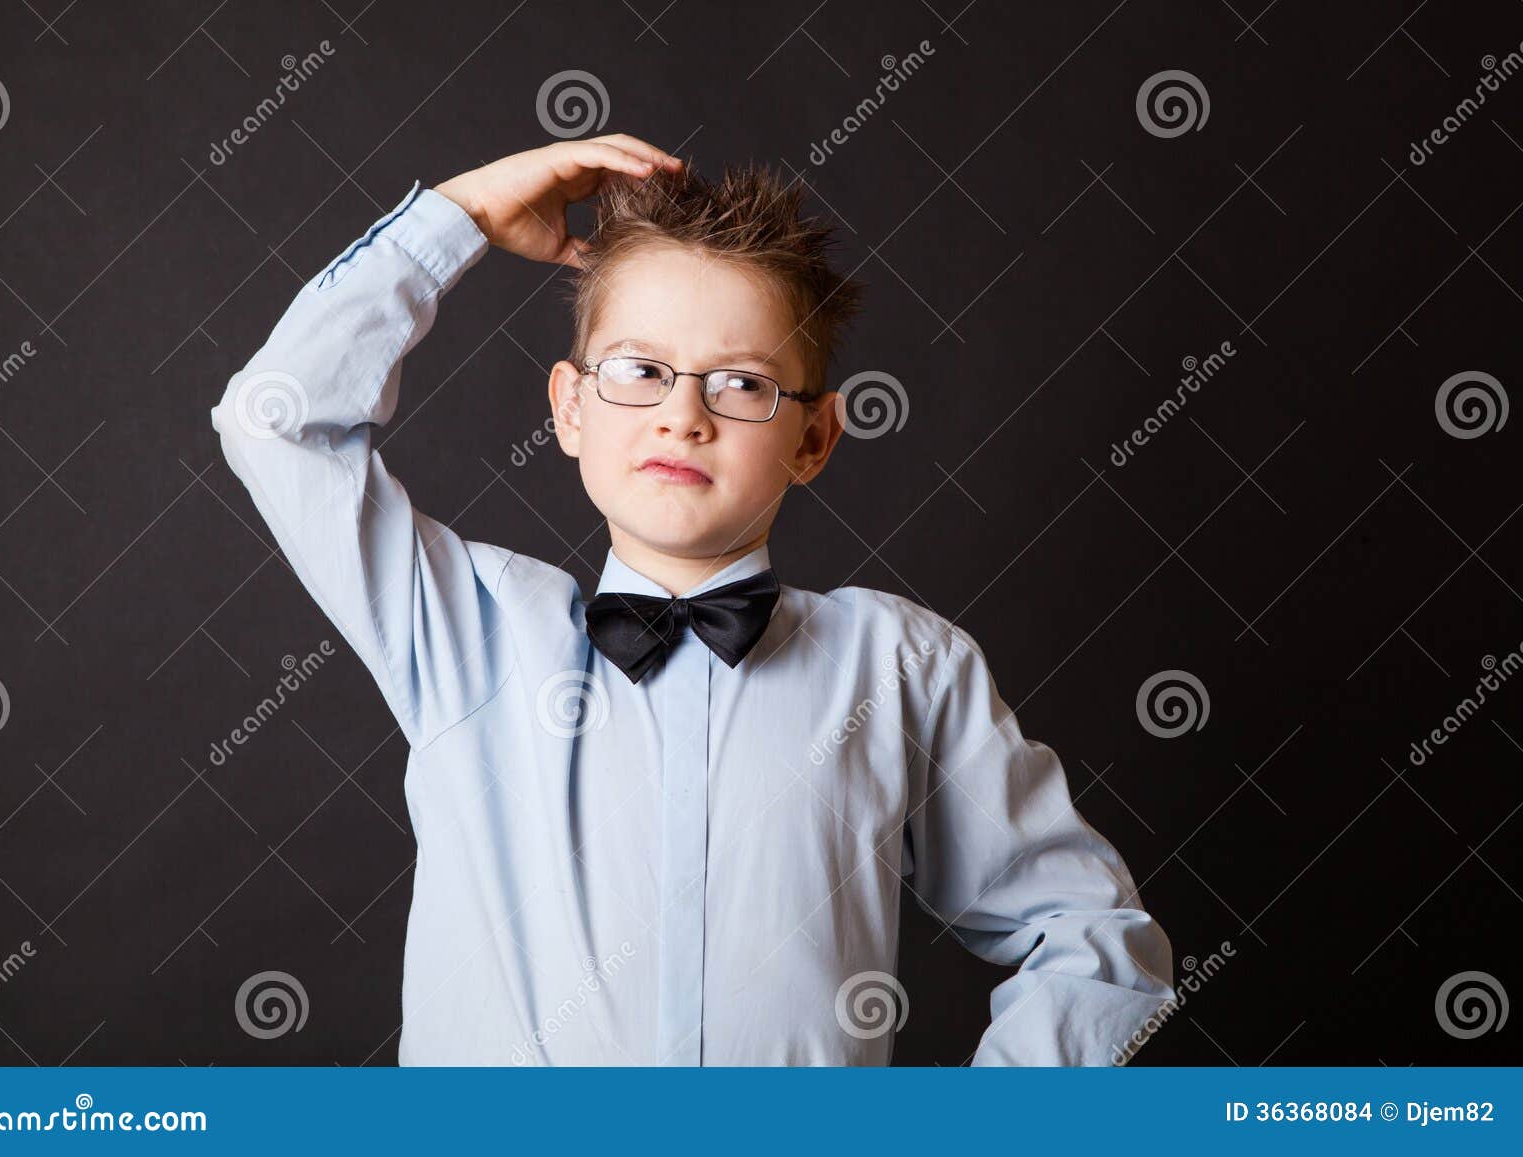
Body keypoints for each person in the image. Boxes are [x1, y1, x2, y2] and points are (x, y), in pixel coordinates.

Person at [209, 133, 1174, 1065]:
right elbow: (275, 425)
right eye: (639, 369)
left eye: (743, 383)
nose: (683, 412)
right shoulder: (467, 630)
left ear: (815, 439)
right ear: (570, 407)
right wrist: (456, 217)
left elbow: (1090, 938)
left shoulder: (902, 668)